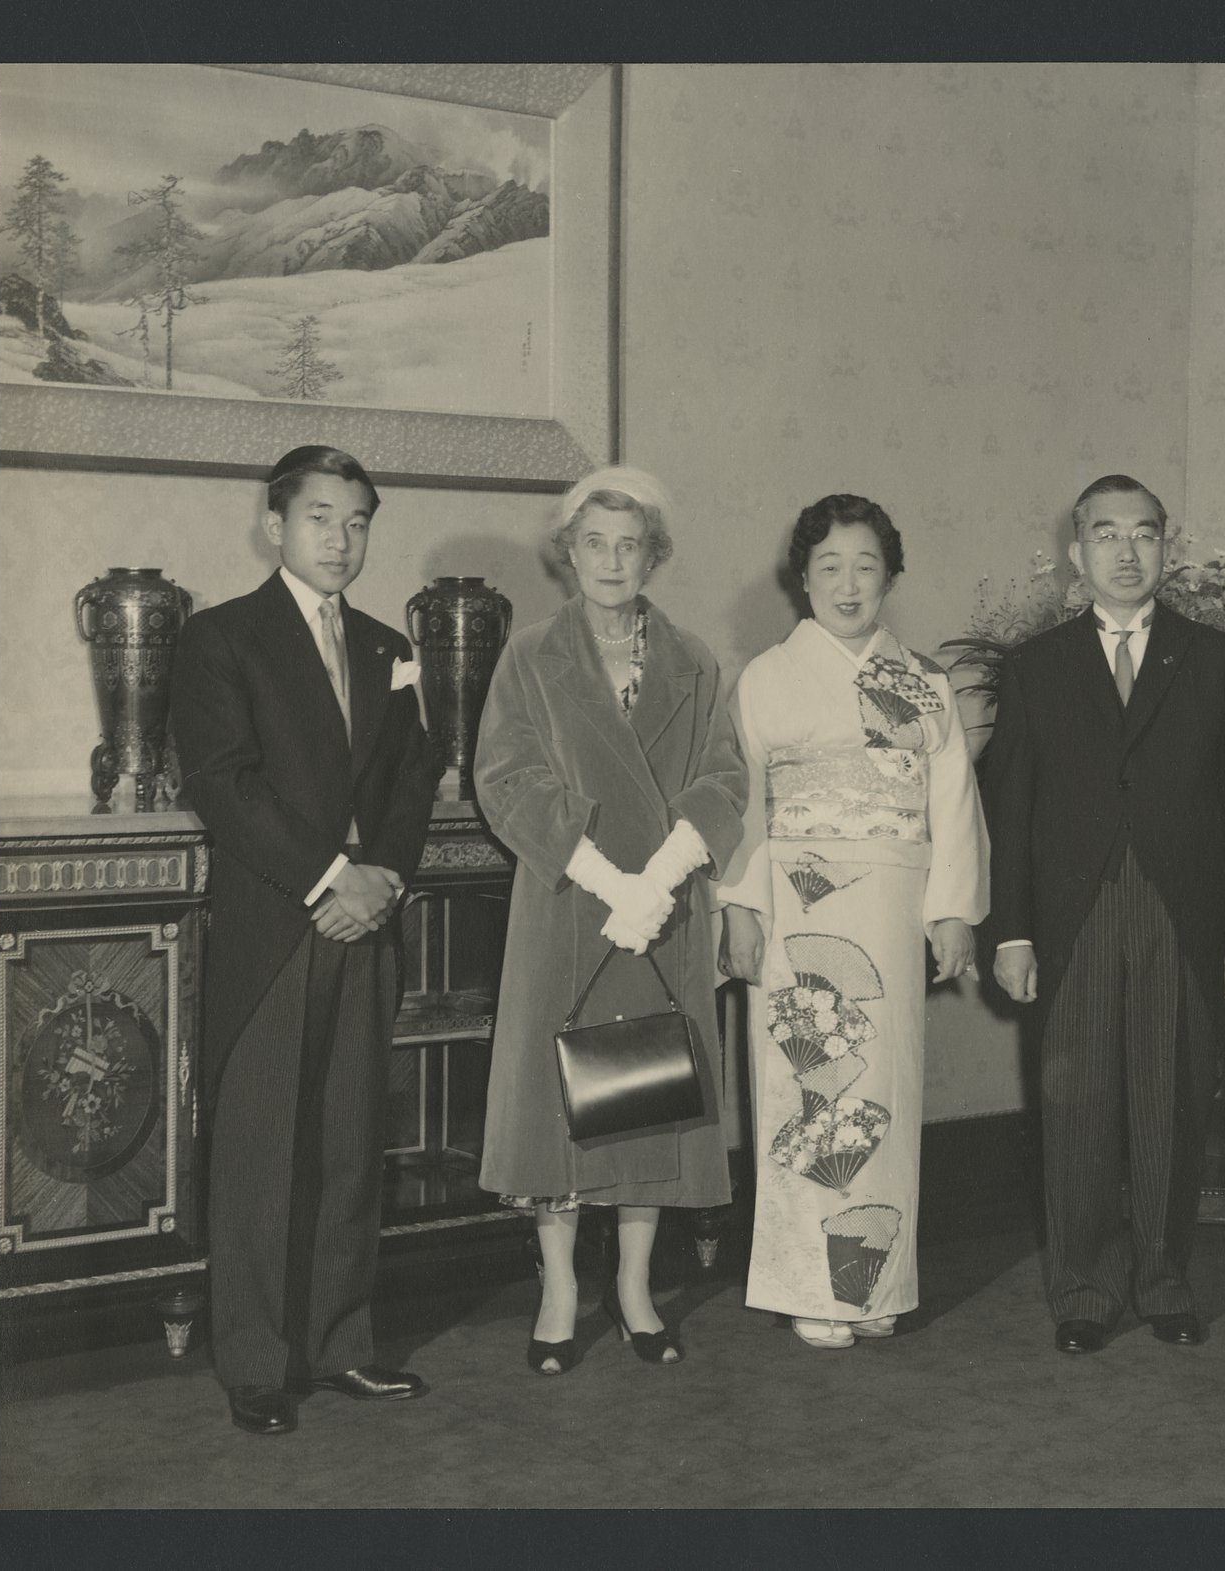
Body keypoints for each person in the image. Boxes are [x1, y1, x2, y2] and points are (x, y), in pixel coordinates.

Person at [171, 445, 441, 1436]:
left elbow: (412, 777)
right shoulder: (220, 637)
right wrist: (333, 878)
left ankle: (341, 1343)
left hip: (367, 918)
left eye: (357, 520)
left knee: (349, 1139)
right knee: (261, 1147)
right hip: (279, 923)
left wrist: (386, 879)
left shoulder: (385, 645)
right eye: (321, 517)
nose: (340, 538)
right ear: (274, 523)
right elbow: (223, 781)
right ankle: (255, 1361)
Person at [984, 475, 1225, 1355]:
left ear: (1166, 548)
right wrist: (1011, 931)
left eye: (1143, 534)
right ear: (1077, 552)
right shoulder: (1034, 666)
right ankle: (1083, 1287)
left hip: (1179, 910)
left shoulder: (1218, 661)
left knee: (1170, 1099)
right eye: (1106, 534)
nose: (1125, 551)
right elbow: (1010, 811)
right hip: (1072, 912)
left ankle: (1163, 1279)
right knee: (1075, 1103)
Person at [476, 467, 746, 1372]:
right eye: (595, 542)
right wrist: (603, 876)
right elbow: (507, 778)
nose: (612, 560)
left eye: (631, 544)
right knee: (559, 1103)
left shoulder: (693, 660)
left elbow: (723, 779)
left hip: (663, 909)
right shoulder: (530, 655)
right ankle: (559, 1288)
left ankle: (634, 1287)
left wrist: (659, 878)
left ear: (654, 555)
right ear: (569, 552)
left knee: (649, 1095)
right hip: (568, 902)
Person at [719, 494, 988, 1349]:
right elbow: (742, 805)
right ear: (801, 579)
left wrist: (952, 911)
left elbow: (953, 800)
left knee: (885, 1091)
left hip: (892, 905)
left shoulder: (923, 682)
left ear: (890, 577)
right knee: (809, 1090)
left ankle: (872, 1284)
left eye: (866, 566)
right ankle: (810, 1284)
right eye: (829, 566)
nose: (848, 583)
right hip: (797, 905)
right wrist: (740, 906)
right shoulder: (766, 678)